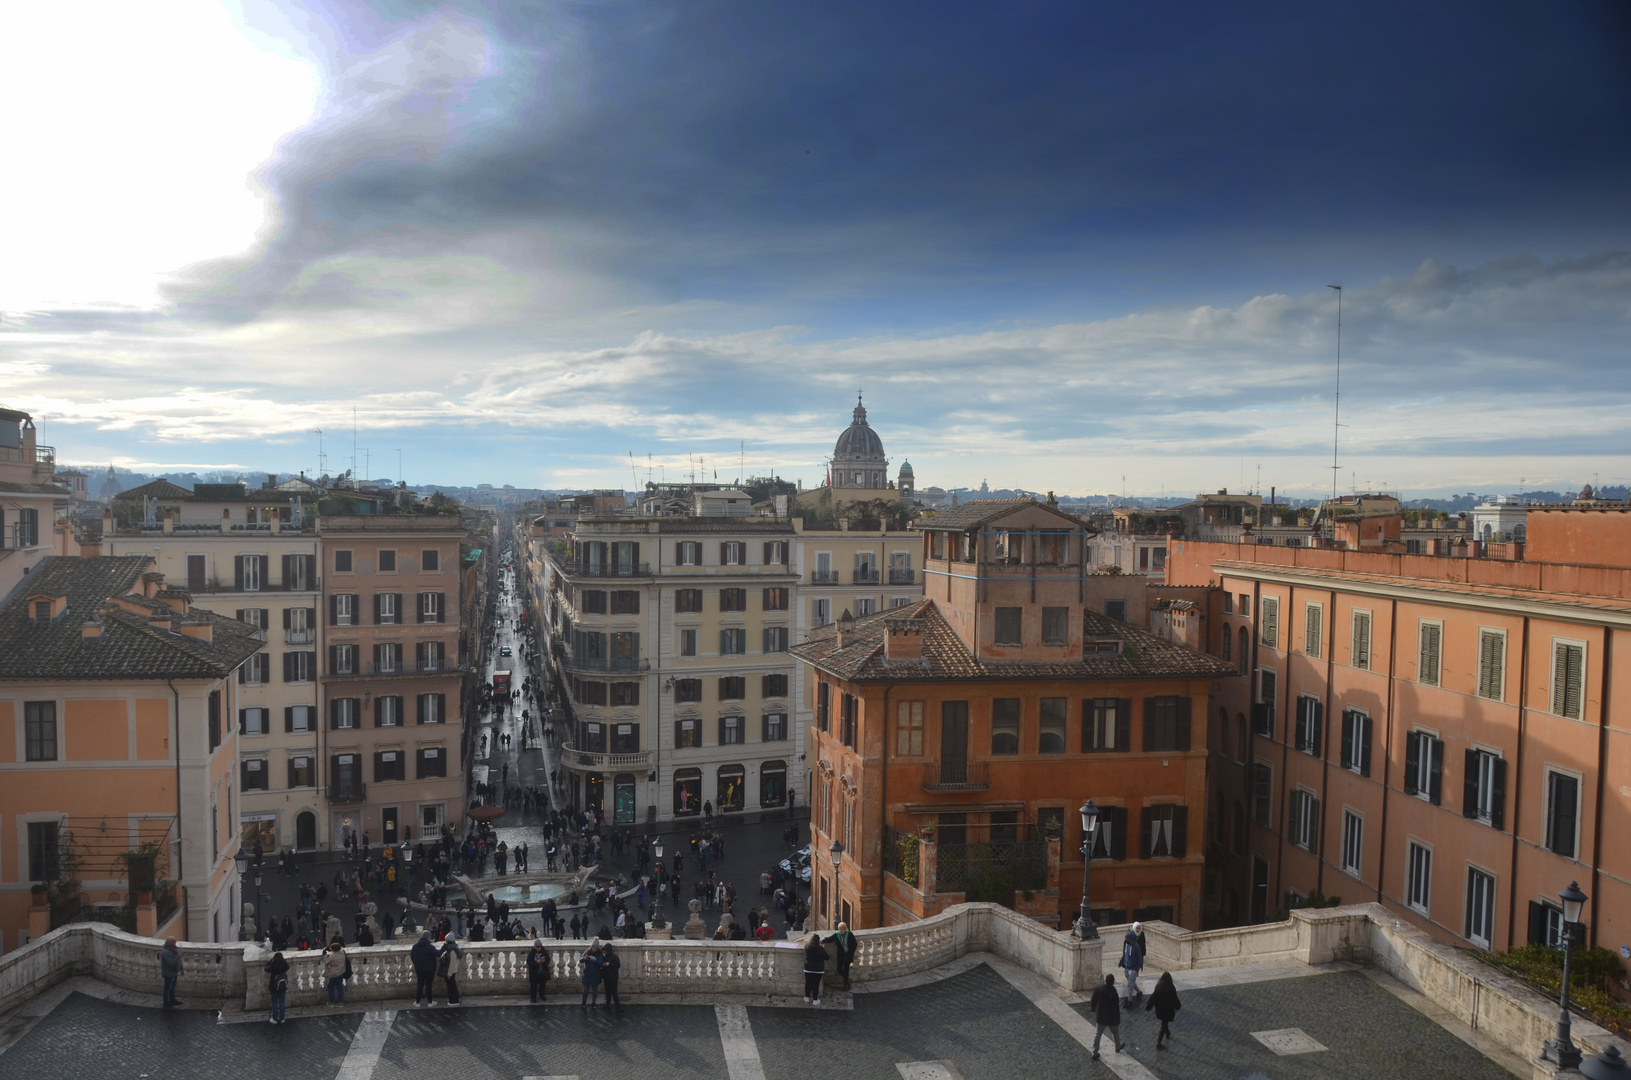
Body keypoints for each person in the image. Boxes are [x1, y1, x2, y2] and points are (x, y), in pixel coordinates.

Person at [1089, 974, 1124, 1059]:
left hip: (1101, 1016)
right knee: (1115, 1032)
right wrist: (1117, 1019)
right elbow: (1116, 1008)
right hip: (1112, 1017)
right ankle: (1118, 1046)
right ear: (1113, 982)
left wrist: (1093, 1008)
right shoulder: (1114, 993)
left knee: (1098, 1034)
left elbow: (1094, 1000)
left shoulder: (1099, 989)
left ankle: (1095, 1052)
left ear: (1105, 981)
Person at [1146, 971, 1182, 1049]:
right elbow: (1174, 999)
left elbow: (1152, 998)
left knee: (1164, 1022)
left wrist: (1148, 1007)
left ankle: (1168, 1033)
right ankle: (1158, 1043)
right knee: (1163, 1024)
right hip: (1168, 1010)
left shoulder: (1158, 987)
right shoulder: (1171, 988)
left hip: (1159, 1010)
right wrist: (1178, 1006)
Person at [826, 921, 858, 991]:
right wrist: (822, 941)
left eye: (842, 929)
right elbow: (829, 939)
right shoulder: (837, 935)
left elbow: (854, 944)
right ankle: (848, 980)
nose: (840, 930)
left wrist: (851, 952)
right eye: (839, 929)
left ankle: (845, 985)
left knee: (846, 969)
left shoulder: (849, 934)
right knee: (839, 969)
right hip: (841, 955)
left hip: (848, 955)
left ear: (845, 929)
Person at [411, 931, 439, 1006]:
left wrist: (416, 964)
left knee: (420, 985)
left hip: (419, 969)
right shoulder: (430, 947)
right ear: (428, 937)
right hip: (430, 969)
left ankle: (417, 1002)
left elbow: (412, 957)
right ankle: (430, 1002)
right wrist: (444, 946)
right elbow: (438, 954)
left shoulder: (415, 946)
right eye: (430, 936)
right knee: (428, 985)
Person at [1120, 923, 1145, 1003]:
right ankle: (1139, 992)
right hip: (1127, 967)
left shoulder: (1136, 947)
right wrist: (1121, 962)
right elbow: (1125, 954)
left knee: (1130, 985)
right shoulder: (1127, 945)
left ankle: (1129, 1000)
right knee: (1131, 982)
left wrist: (1137, 968)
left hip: (1133, 968)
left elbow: (1140, 958)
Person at [802, 933, 828, 1006]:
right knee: (816, 984)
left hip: (808, 968)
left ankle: (806, 997)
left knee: (808, 983)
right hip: (818, 969)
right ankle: (815, 1000)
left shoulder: (806, 947)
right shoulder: (821, 949)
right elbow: (827, 957)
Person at [264, 950, 290, 1024]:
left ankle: (275, 1018)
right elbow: (288, 966)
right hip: (282, 985)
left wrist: (270, 961)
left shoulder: (273, 965)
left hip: (274, 985)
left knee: (275, 1003)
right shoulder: (284, 964)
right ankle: (282, 1018)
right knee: (282, 1002)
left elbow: (266, 969)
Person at [439, 935, 464, 1006]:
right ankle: (453, 999)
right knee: (451, 985)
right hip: (452, 970)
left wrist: (449, 974)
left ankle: (454, 1001)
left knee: (451, 986)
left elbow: (452, 963)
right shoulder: (453, 948)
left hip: (451, 971)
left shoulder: (452, 951)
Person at [159, 937, 184, 1008]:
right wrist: (178, 955)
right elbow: (171, 963)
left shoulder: (174, 949)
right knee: (167, 989)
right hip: (168, 974)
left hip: (174, 973)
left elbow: (179, 960)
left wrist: (181, 968)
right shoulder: (165, 952)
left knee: (172, 988)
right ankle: (166, 1004)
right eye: (173, 942)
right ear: (169, 943)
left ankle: (172, 1000)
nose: (175, 944)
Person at [579, 942, 604, 1009]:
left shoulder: (600, 954)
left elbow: (601, 963)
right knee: (585, 990)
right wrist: (584, 958)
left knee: (594, 990)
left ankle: (593, 1003)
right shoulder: (587, 951)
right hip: (587, 974)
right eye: (593, 947)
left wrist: (595, 960)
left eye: (595, 948)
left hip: (595, 974)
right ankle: (584, 1002)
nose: (594, 949)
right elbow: (580, 960)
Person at [526, 939, 551, 1003]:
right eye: (537, 947)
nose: (539, 948)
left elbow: (548, 960)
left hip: (542, 971)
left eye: (540, 946)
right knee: (533, 985)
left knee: (542, 984)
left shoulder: (544, 952)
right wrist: (537, 962)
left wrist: (544, 961)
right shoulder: (532, 953)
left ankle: (542, 995)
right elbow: (529, 962)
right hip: (534, 972)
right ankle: (533, 997)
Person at [600, 942, 621, 1010]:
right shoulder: (605, 957)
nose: (604, 952)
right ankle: (608, 1004)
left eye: (605, 951)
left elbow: (618, 965)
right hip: (606, 977)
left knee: (614, 992)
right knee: (607, 992)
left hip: (613, 977)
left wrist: (609, 964)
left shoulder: (614, 957)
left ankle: (617, 1006)